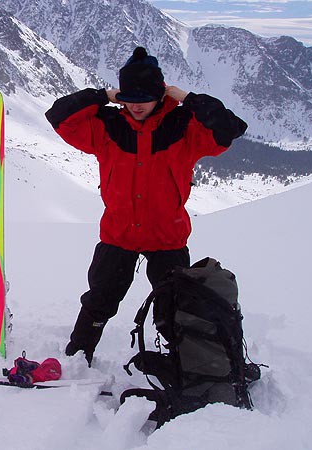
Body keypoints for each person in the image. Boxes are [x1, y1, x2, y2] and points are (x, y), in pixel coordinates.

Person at [45, 46, 248, 365]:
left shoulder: (184, 127)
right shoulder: (108, 126)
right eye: (130, 97)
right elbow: (58, 116)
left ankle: (188, 364)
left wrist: (188, 98)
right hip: (119, 234)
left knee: (173, 307)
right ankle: (78, 355)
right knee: (100, 300)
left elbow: (230, 128)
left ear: (160, 93)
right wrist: (103, 96)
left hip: (167, 236)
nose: (137, 105)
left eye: (145, 97)